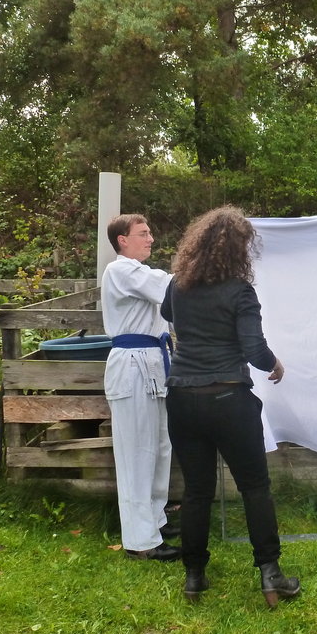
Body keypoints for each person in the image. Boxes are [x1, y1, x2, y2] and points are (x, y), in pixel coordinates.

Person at [160, 206, 299, 608]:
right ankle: (270, 574)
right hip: (228, 399)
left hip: (182, 398)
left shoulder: (177, 285)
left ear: (197, 243)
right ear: (239, 249)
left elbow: (167, 314)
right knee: (254, 488)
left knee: (197, 490)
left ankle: (194, 576)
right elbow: (254, 349)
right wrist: (275, 364)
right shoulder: (240, 292)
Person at [100, 213, 181, 562]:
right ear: (123, 240)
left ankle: (155, 521)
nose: (150, 239)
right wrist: (201, 264)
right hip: (132, 364)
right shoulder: (120, 270)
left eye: (149, 233)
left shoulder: (141, 273)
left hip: (154, 362)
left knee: (160, 447)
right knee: (137, 452)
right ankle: (140, 540)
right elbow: (168, 286)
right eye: (143, 233)